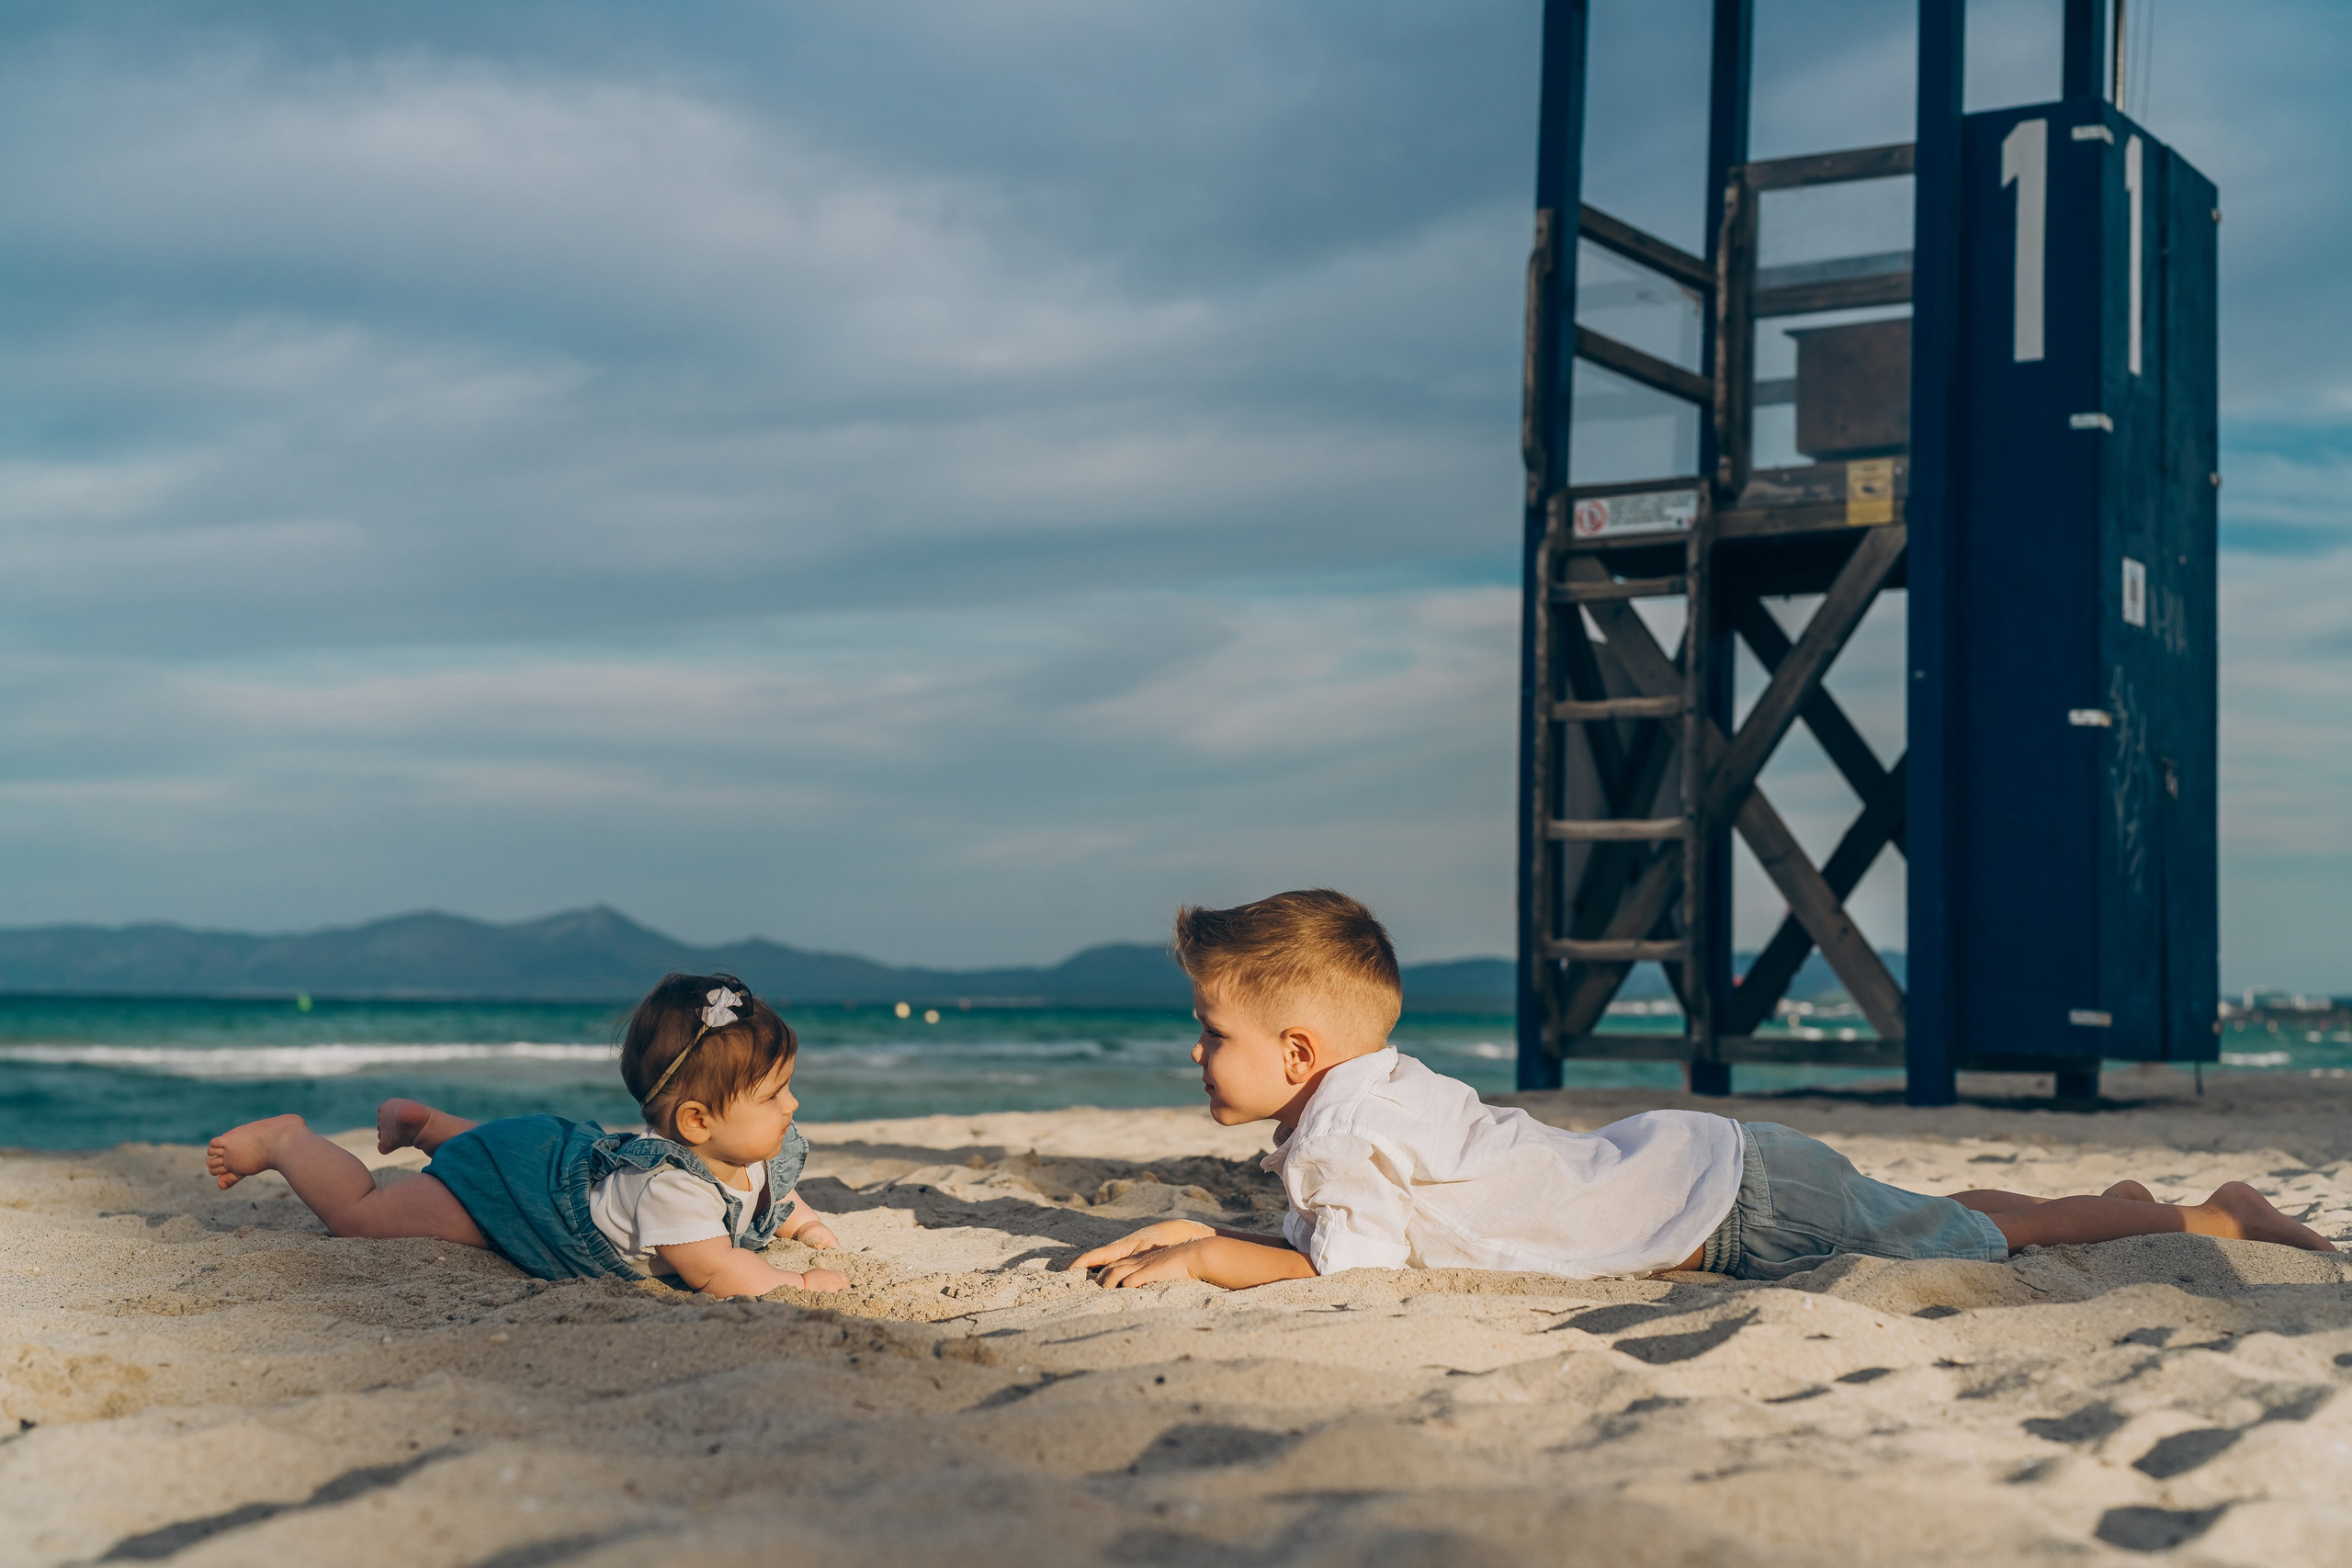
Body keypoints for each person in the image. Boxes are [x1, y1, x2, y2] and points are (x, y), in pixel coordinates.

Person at [1069, 890, 2335, 1290]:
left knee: (1974, 1234)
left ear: (1297, 1051)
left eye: (1211, 1027)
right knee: (1941, 1205)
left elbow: (1351, 1271)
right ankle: (2108, 1197)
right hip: (1718, 1165)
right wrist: (1211, 1228)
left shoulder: (1337, 1135)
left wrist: (1203, 1257)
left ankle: (2213, 1216)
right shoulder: (1371, 1088)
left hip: (1737, 1210)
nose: (1196, 1049)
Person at [207, 974, 847, 1297]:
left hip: (550, 1155)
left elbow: (771, 1198)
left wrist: (804, 1225)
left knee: (503, 1150)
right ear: (697, 1122)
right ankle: (287, 1140)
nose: (792, 1103)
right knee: (364, 1213)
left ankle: (432, 1128)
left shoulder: (744, 1154)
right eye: (773, 1094)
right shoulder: (673, 1188)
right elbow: (717, 1269)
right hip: (519, 1199)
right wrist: (795, 1284)